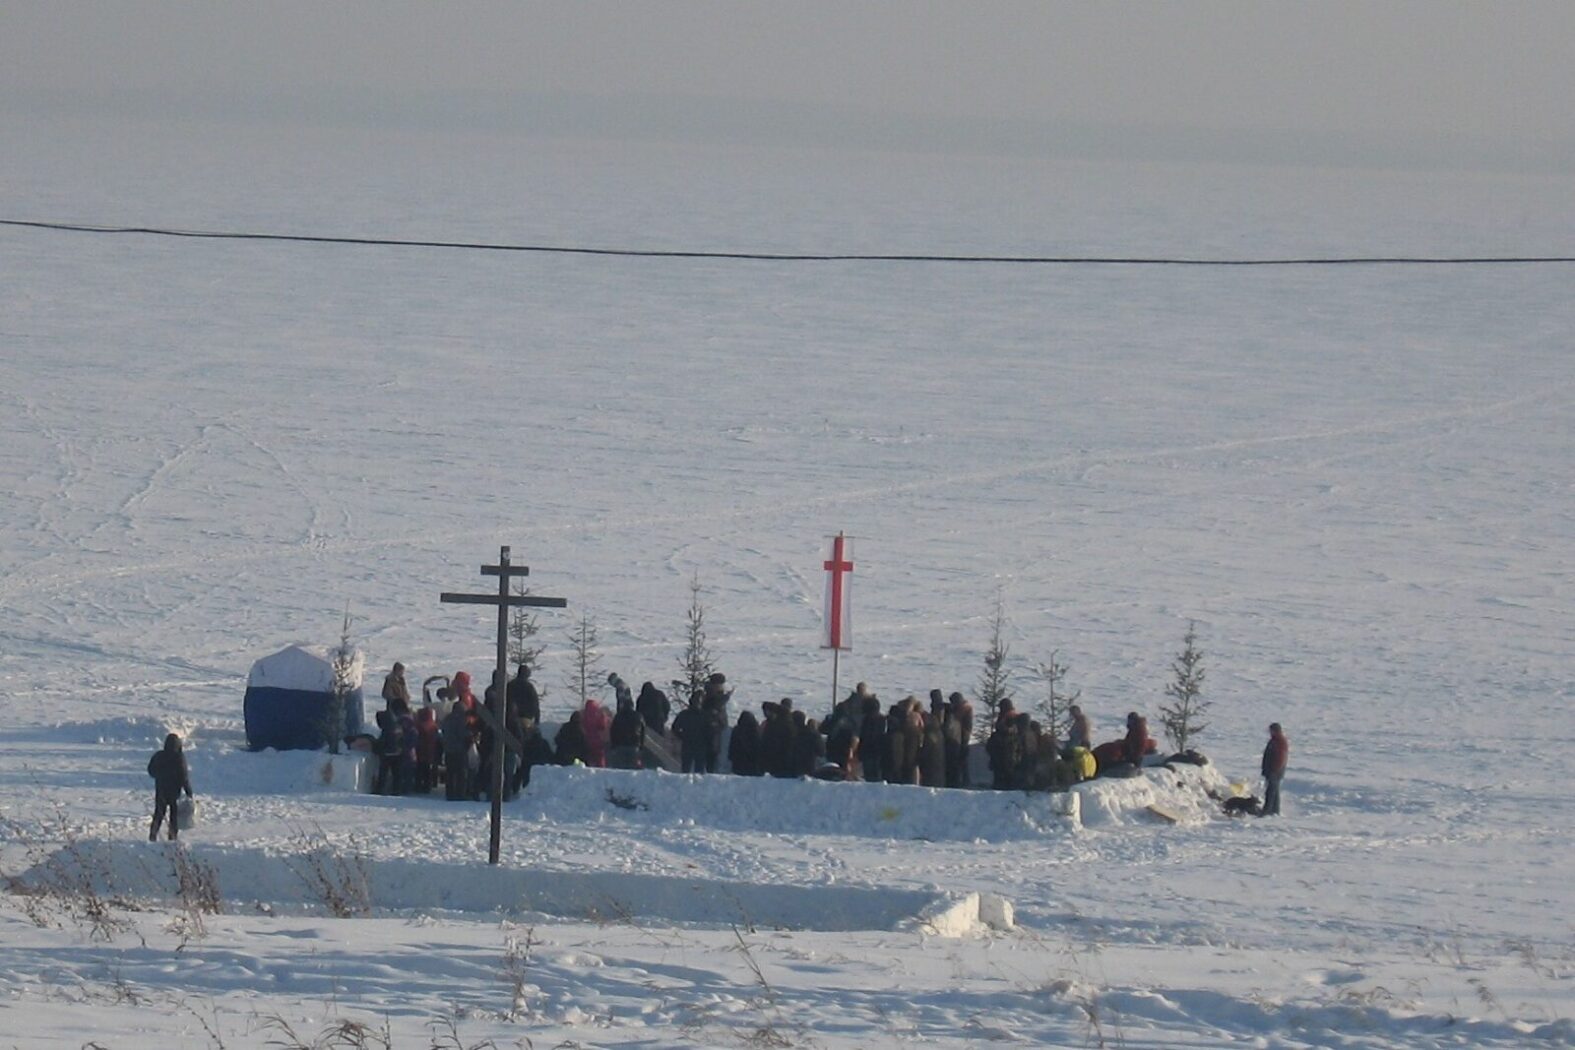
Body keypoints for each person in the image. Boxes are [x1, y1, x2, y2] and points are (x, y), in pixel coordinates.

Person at [147, 733, 193, 841]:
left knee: (158, 814)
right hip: (175, 792)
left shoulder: (159, 755)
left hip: (161, 789)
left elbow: (150, 770)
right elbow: (184, 776)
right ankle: (172, 838)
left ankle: (152, 835)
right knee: (174, 817)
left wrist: (160, 776)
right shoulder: (179, 757)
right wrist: (188, 792)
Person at [1261, 722, 1289, 816]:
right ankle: (1274, 811)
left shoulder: (1280, 741)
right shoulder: (1274, 740)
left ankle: (1267, 811)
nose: (1270, 732)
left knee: (1271, 792)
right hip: (1272, 770)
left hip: (1275, 771)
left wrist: (1273, 769)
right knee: (1274, 791)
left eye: (1271, 730)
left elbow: (1280, 757)